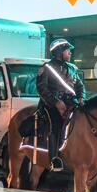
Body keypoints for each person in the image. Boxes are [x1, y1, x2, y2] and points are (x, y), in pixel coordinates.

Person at [36, 39, 86, 172]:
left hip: (71, 102)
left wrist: (81, 97)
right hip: (51, 105)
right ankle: (54, 159)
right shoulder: (46, 68)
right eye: (67, 50)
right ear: (59, 52)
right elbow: (42, 89)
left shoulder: (72, 68)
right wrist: (56, 102)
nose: (70, 53)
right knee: (56, 124)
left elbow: (80, 86)